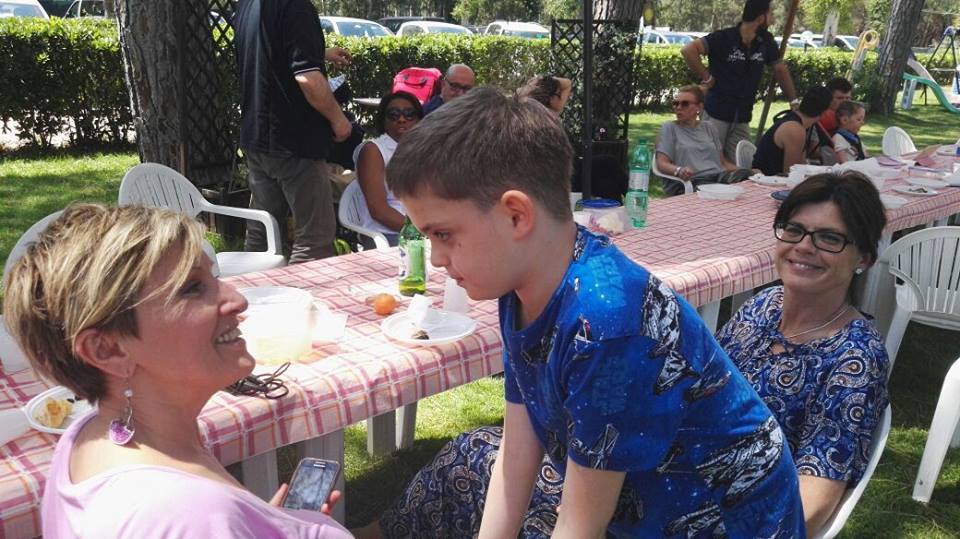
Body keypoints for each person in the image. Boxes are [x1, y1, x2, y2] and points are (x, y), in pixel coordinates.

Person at [354, 87, 805, 538]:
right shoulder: (521, 282)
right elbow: (517, 454)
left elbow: (580, 526)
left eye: (443, 234)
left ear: (515, 216)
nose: (435, 259)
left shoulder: (606, 321)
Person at [3, 204, 351, 538]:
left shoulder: (88, 435)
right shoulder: (188, 515)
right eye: (192, 288)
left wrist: (259, 526)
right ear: (107, 349)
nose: (238, 299)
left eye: (215, 277)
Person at [715, 172, 889, 537]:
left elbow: (811, 503)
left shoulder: (855, 358)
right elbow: (698, 387)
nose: (804, 246)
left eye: (829, 238)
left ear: (864, 258)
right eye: (794, 230)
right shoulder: (763, 306)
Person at [235, 0, 353, 263]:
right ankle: (302, 291)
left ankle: (252, 289)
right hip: (294, 142)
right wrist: (339, 119)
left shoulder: (247, 4)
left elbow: (268, 52)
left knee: (262, 236)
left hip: (257, 138)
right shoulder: (297, 7)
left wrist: (320, 53)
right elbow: (307, 78)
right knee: (314, 243)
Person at [681, 0, 799, 162]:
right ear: (760, 18)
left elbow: (780, 70)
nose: (773, 20)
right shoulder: (724, 38)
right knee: (709, 162)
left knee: (744, 166)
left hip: (742, 116)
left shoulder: (765, 41)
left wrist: (793, 101)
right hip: (717, 113)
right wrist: (706, 77)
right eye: (770, 14)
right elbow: (688, 50)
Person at [352, 91, 424, 244]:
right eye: (393, 114)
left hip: (420, 229)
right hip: (387, 235)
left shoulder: (420, 150)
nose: (402, 119)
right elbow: (379, 211)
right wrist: (423, 233)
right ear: (383, 120)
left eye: (409, 114)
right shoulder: (374, 150)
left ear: (418, 120)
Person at [655, 85, 753, 196]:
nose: (678, 107)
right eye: (676, 103)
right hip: (693, 180)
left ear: (699, 107)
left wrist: (748, 172)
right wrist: (679, 170)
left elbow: (723, 163)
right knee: (724, 193)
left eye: (685, 104)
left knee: (747, 179)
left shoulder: (708, 127)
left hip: (719, 177)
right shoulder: (669, 128)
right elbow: (661, 163)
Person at [753, 86, 833, 176]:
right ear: (825, 113)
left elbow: (801, 165)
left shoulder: (795, 121)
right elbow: (791, 174)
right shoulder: (795, 130)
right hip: (766, 180)